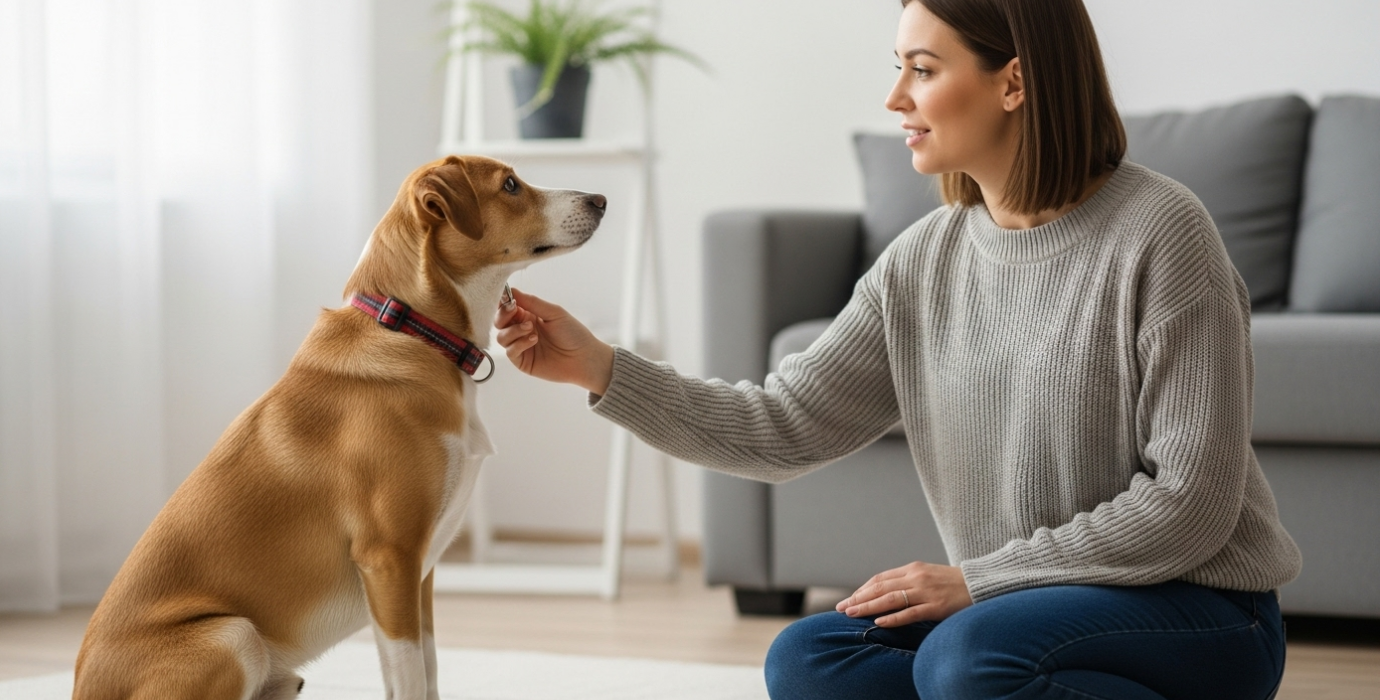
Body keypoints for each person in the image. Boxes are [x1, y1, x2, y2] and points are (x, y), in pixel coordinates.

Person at [493, 0, 1302, 697]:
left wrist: (979, 582)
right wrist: (598, 366)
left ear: (1013, 83)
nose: (894, 98)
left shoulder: (1163, 233)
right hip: (1012, 614)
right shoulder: (925, 260)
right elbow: (784, 424)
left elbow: (1189, 503)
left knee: (968, 660)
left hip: (1199, 613)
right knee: (811, 660)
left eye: (921, 68)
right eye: (899, 68)